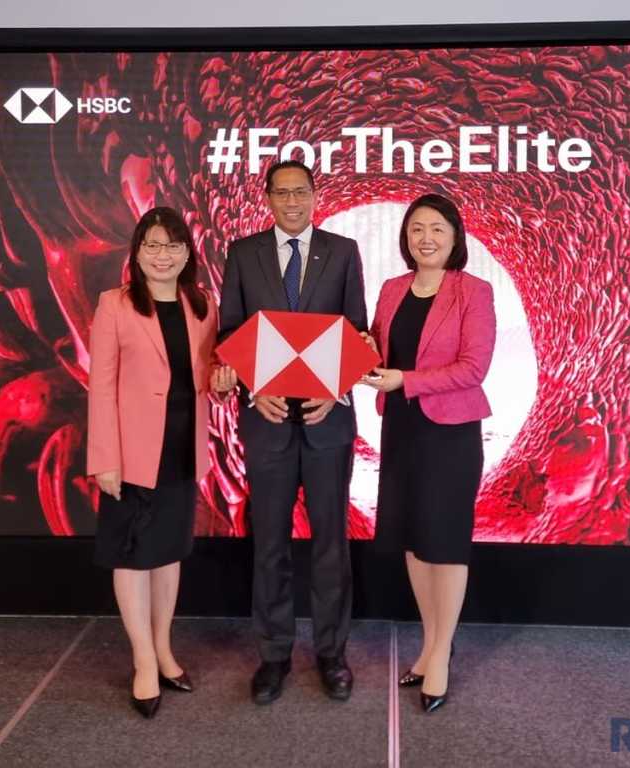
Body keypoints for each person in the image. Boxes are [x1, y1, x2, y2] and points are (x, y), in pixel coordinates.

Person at [216, 159, 368, 704]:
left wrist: (337, 388)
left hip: (329, 421)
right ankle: (274, 654)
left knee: (331, 544)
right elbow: (230, 331)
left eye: (300, 192)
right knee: (270, 544)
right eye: (281, 193)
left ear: (314, 195)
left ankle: (332, 653)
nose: (292, 202)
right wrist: (255, 387)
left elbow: (358, 331)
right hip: (268, 419)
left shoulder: (343, 252)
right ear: (268, 199)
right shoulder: (243, 253)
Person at [87, 206, 225, 718]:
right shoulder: (115, 304)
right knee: (131, 556)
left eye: (172, 245)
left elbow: (208, 376)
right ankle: (143, 661)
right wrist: (106, 457)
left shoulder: (202, 305)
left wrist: (224, 381)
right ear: (137, 252)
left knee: (168, 553)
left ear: (187, 252)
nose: (162, 255)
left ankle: (164, 649)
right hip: (130, 453)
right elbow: (100, 386)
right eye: (152, 245)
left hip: (182, 449)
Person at [362, 193, 495, 713]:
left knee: (445, 542)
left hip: (451, 432)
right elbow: (378, 351)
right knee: (413, 541)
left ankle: (440, 654)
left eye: (437, 228)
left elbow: (473, 368)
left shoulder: (473, 291)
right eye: (417, 228)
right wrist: (361, 354)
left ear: (455, 237)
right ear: (405, 237)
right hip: (401, 427)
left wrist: (405, 380)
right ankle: (431, 641)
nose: (426, 238)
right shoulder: (392, 289)